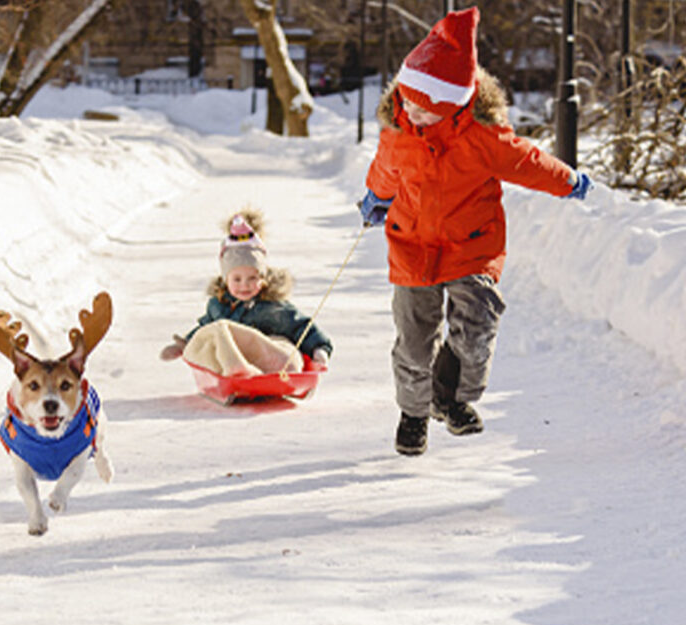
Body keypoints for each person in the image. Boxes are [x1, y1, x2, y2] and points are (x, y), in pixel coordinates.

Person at [360, 7, 593, 456]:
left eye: (423, 109)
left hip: (472, 246)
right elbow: (385, 173)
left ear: (453, 105)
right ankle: (413, 414)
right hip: (411, 246)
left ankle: (450, 398)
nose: (410, 112)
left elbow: (527, 161)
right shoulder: (399, 132)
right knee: (413, 340)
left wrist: (567, 180)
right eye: (406, 101)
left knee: (478, 324)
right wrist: (375, 199)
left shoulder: (483, 137)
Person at [160, 208, 332, 375]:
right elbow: (204, 330)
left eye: (252, 278)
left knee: (286, 350)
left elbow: (301, 327)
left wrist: (319, 349)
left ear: (263, 278)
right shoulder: (218, 306)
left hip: (264, 354)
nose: (245, 285)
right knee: (219, 332)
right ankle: (235, 369)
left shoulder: (273, 307)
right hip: (230, 353)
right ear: (225, 280)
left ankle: (274, 369)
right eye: (237, 279)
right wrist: (184, 345)